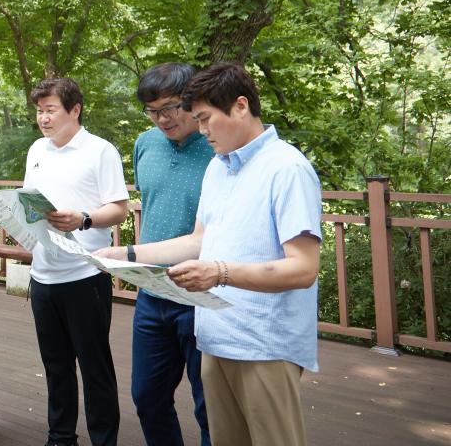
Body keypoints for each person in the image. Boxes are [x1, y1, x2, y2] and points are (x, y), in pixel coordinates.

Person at [96, 62, 322, 446]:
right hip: (215, 334)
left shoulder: (287, 169)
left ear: (239, 106)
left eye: (205, 119)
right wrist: (126, 252)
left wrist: (219, 273)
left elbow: (303, 269)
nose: (201, 130)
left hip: (264, 341)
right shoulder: (220, 168)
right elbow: (198, 241)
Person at [24, 78, 130, 446]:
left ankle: (104, 440)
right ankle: (60, 438)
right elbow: (28, 203)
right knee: (55, 367)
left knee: (94, 367)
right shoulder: (37, 149)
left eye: (50, 110)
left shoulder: (101, 151)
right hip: (43, 276)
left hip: (86, 274)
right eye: (39, 111)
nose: (43, 118)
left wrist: (83, 218)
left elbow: (119, 209)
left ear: (75, 110)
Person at [130, 63, 214, 446]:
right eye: (152, 110)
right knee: (146, 395)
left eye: (170, 107)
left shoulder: (218, 147)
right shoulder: (144, 143)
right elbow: (147, 207)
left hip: (203, 292)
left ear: (192, 101)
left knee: (209, 405)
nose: (162, 119)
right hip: (151, 291)